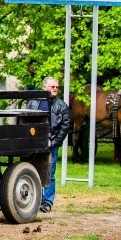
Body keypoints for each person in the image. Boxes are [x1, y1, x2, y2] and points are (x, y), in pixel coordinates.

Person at [26, 76, 71, 213]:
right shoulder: (33, 102)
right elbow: (27, 120)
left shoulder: (62, 106)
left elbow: (65, 126)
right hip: (34, 143)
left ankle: (47, 201)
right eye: (52, 86)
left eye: (57, 87)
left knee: (49, 172)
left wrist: (55, 142)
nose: (55, 89)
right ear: (44, 87)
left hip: (51, 144)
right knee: (32, 170)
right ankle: (34, 199)